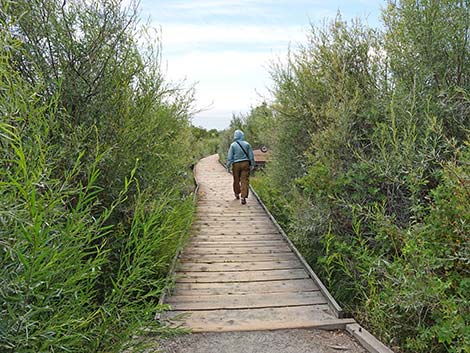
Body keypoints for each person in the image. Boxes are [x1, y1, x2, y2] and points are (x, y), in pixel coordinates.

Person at [226, 130, 255, 205]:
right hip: (245, 163)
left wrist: (228, 165)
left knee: (236, 179)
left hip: (236, 164)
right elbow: (251, 156)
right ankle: (243, 197)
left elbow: (230, 157)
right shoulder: (247, 144)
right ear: (242, 135)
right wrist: (252, 164)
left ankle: (236, 193)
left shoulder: (233, 145)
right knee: (244, 180)